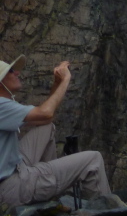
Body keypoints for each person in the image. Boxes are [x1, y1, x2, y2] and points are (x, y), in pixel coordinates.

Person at [0, 55, 111, 207]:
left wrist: (57, 84)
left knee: (46, 128)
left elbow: (44, 119)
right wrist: (66, 80)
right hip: (10, 187)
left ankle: (47, 190)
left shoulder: (4, 106)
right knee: (94, 160)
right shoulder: (1, 106)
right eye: (11, 71)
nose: (17, 73)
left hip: (13, 168)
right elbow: (46, 113)